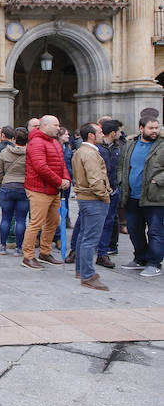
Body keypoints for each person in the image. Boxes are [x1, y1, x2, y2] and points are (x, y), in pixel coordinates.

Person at [21, 115, 69, 270]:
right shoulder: (36, 142)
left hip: (53, 189)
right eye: (55, 125)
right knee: (36, 223)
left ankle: (45, 252)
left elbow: (61, 164)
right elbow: (40, 167)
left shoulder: (54, 142)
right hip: (39, 189)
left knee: (53, 221)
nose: (58, 128)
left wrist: (66, 179)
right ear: (44, 126)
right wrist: (59, 181)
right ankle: (28, 256)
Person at [118, 115, 163, 277]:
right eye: (151, 128)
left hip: (155, 196)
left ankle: (154, 262)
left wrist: (157, 180)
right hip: (132, 196)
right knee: (134, 229)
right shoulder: (130, 145)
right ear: (141, 128)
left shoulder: (162, 145)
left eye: (157, 127)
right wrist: (121, 182)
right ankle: (140, 258)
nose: (155, 131)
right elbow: (122, 166)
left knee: (155, 231)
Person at [71, 122, 112, 290]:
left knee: (84, 236)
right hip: (93, 199)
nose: (103, 134)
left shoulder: (81, 151)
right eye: (100, 132)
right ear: (91, 136)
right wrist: (105, 196)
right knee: (90, 238)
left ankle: (82, 271)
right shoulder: (89, 153)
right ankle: (88, 276)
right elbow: (95, 181)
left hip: (85, 198)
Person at [0, 128, 29, 257]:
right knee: (21, 220)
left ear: (14, 139)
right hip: (23, 187)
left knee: (5, 218)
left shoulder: (5, 152)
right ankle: (18, 248)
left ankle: (3, 246)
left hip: (7, 186)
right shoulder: (30, 153)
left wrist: (0, 182)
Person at [93, 119, 122, 269]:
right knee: (91, 221)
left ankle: (103, 252)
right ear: (113, 133)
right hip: (99, 191)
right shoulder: (97, 149)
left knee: (109, 221)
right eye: (118, 131)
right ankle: (77, 249)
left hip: (114, 190)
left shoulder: (118, 148)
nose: (120, 134)